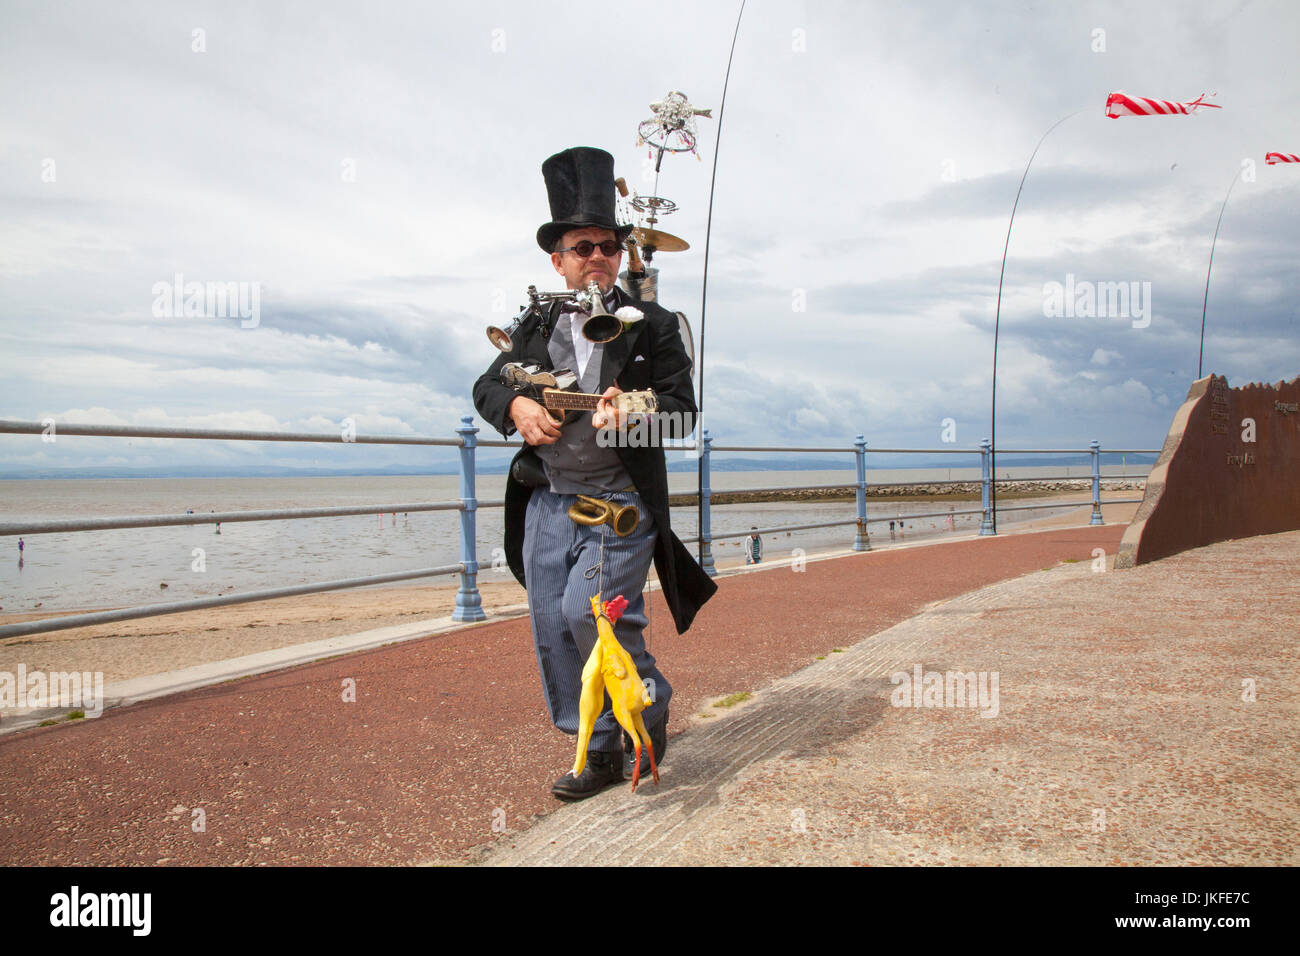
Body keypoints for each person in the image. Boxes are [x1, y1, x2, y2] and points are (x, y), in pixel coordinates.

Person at [473, 146, 716, 800]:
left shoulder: (654, 323)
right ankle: (598, 747)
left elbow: (682, 414)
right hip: (548, 501)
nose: (598, 257)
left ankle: (648, 707)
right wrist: (519, 403)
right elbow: (487, 387)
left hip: (618, 503)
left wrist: (633, 409)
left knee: (593, 613)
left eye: (609, 246)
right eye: (583, 247)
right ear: (559, 259)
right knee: (553, 628)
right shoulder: (537, 321)